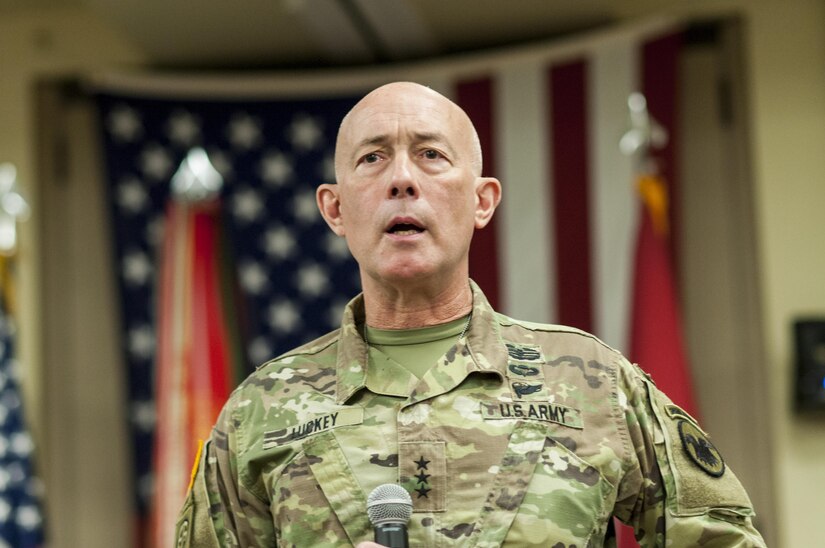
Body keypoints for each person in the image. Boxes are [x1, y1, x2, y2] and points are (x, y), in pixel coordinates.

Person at [174, 82, 766, 547]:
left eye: (430, 155)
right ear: (334, 209)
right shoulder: (261, 410)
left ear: (481, 201)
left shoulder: (594, 382)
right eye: (373, 159)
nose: (402, 179)